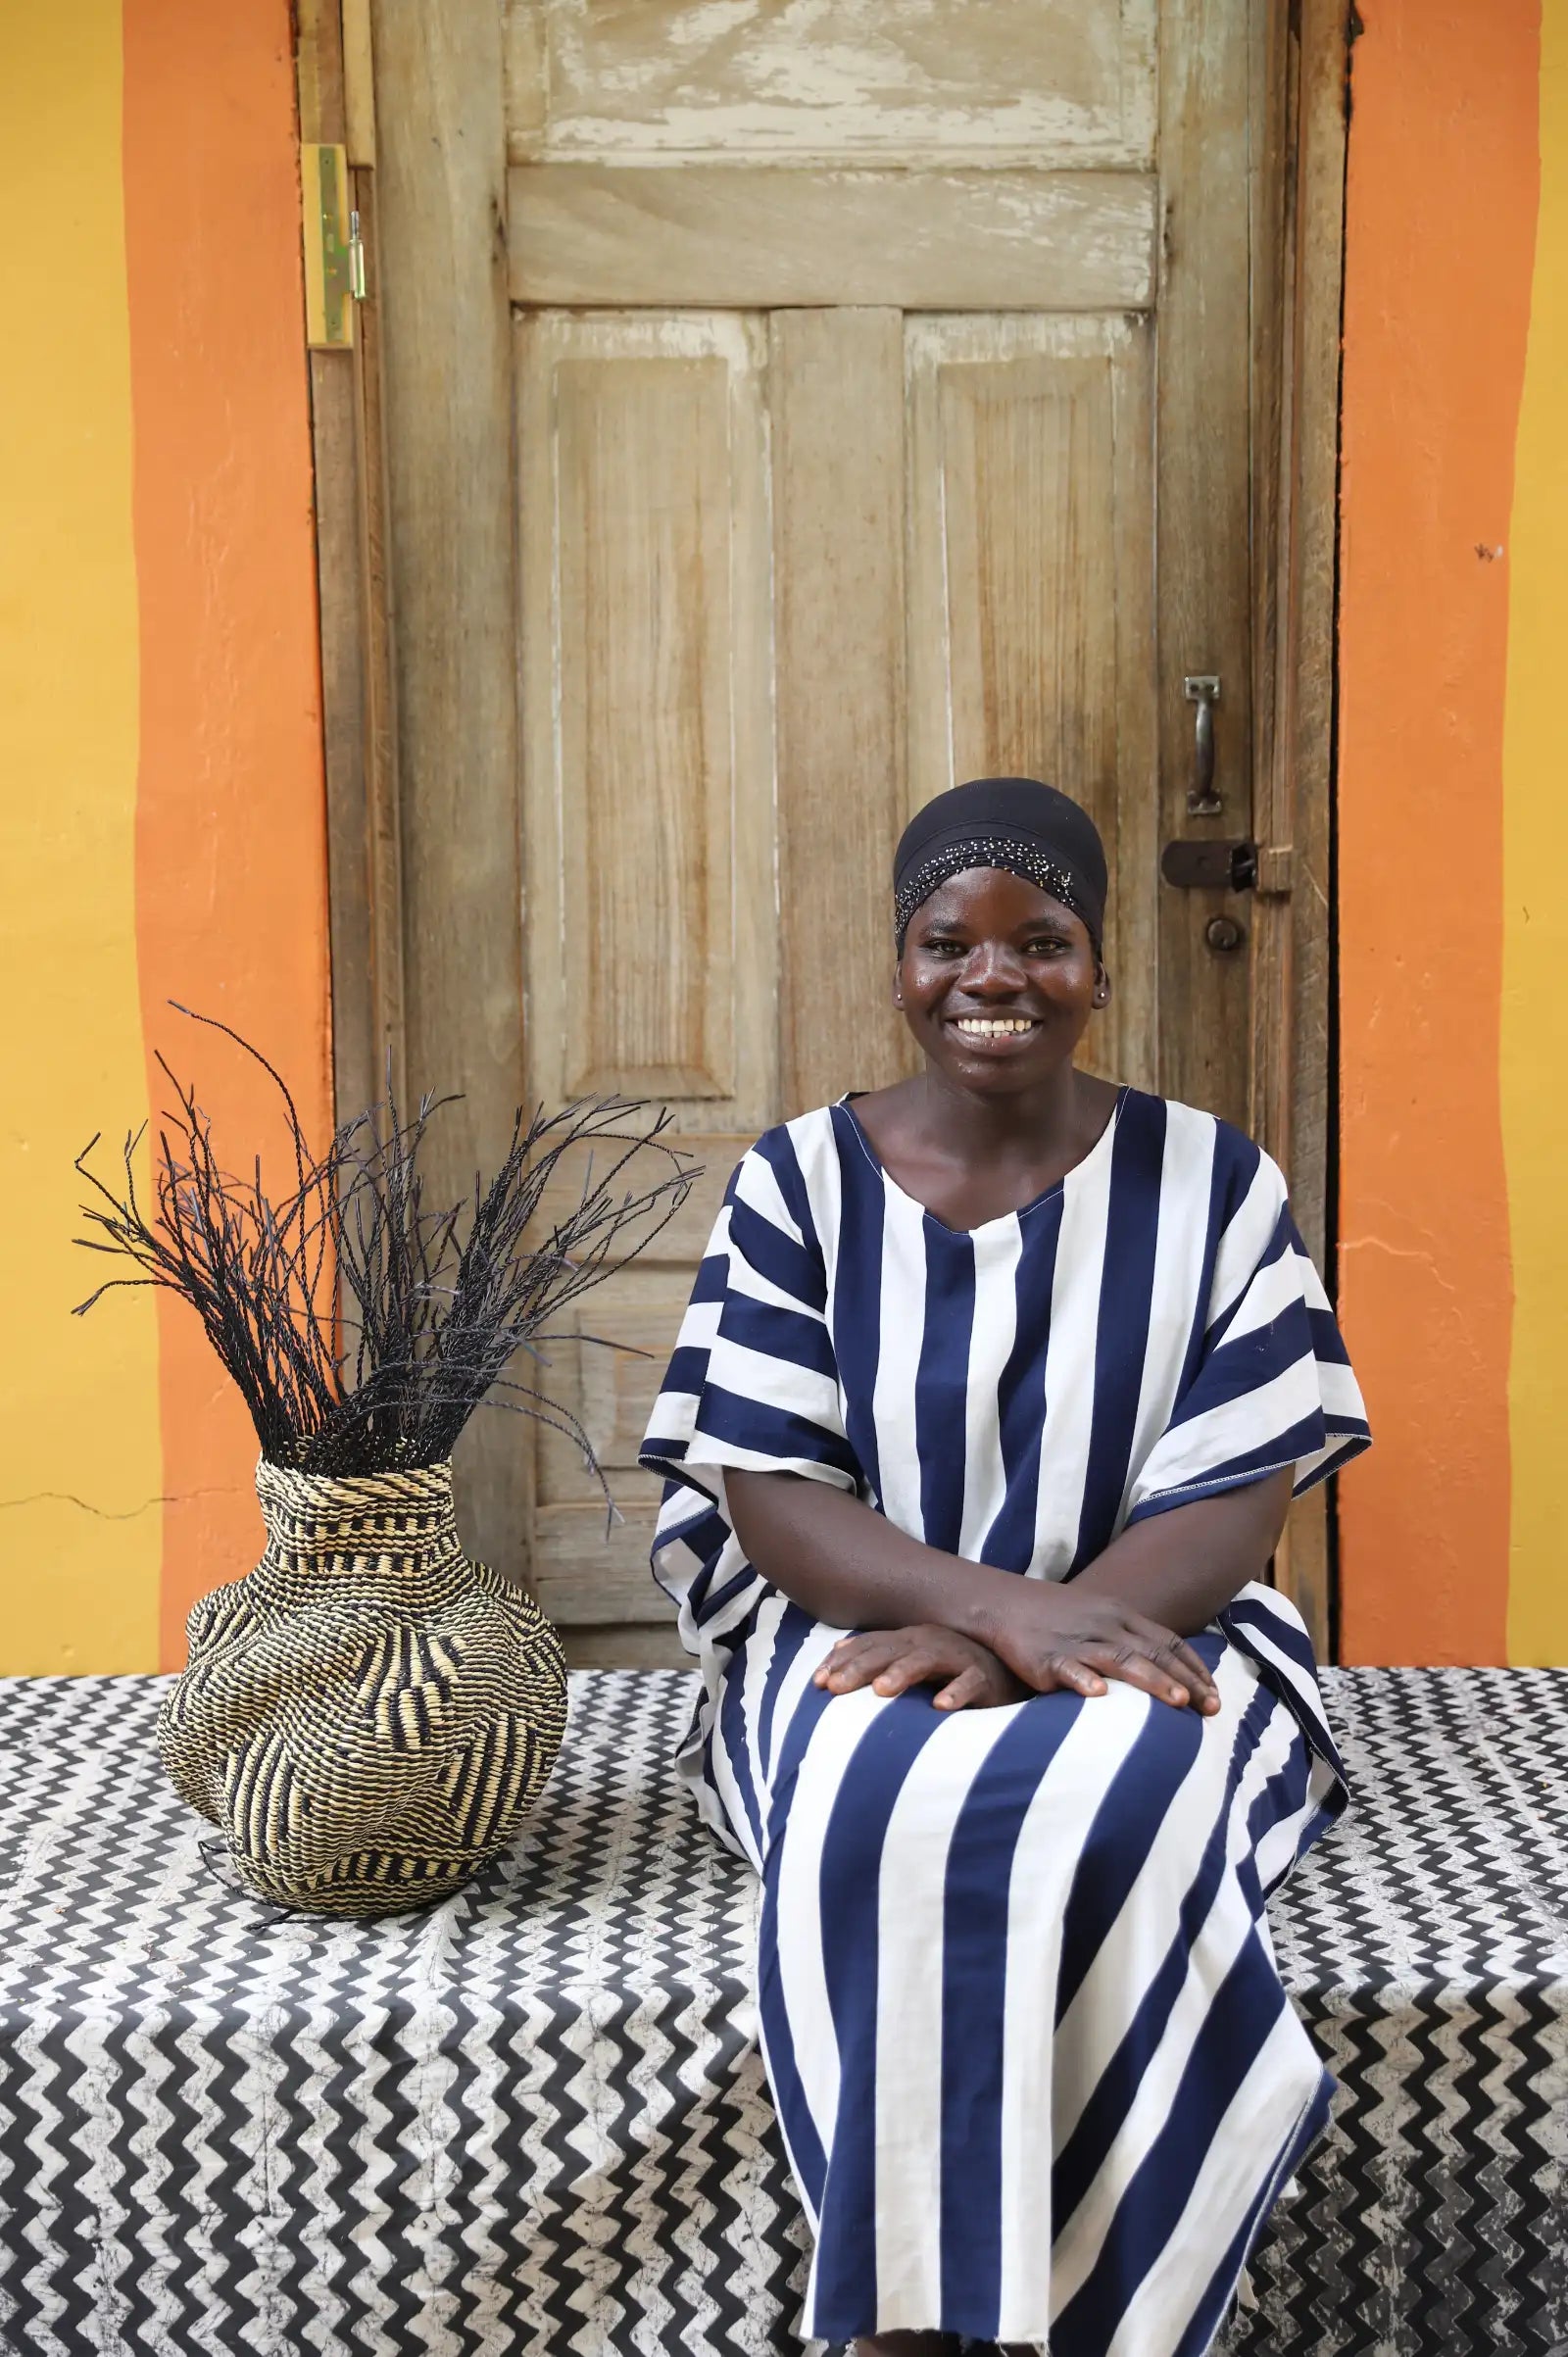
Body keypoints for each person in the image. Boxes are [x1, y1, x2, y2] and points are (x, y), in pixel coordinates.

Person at [638, 776, 1370, 2357]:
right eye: (947, 941)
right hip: (852, 1624)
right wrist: (1003, 1613)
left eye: (1041, 939)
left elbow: (1238, 1498)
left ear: (1099, 967)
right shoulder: (799, 1182)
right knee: (862, 1813)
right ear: (899, 966)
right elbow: (771, 1495)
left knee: (1122, 1800)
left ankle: (1086, 2320)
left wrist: (1013, 1641)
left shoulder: (1215, 1181)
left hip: (1167, 1622)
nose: (994, 976)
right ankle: (911, 2321)